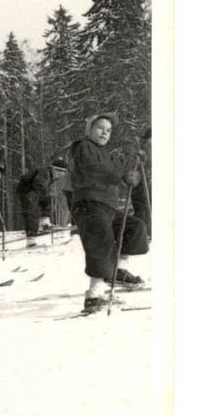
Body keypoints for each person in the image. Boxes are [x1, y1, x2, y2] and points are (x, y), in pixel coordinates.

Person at [68, 113, 149, 314]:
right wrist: (130, 160)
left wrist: (130, 178)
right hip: (90, 205)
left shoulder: (103, 152)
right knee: (101, 245)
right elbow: (107, 172)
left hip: (106, 206)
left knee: (134, 227)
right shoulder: (83, 147)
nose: (105, 133)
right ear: (89, 129)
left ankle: (117, 271)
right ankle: (94, 296)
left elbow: (114, 175)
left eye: (108, 130)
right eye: (100, 128)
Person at [16, 160, 66, 248]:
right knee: (31, 210)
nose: (59, 176)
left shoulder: (51, 175)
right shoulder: (44, 172)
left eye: (61, 174)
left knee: (49, 200)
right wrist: (45, 194)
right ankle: (30, 238)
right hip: (26, 189)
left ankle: (44, 222)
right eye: (58, 173)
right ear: (53, 169)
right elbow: (39, 184)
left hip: (35, 189)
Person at [130, 128, 151, 239]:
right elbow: (135, 167)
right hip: (141, 183)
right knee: (143, 208)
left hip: (149, 182)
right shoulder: (141, 151)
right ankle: (141, 234)